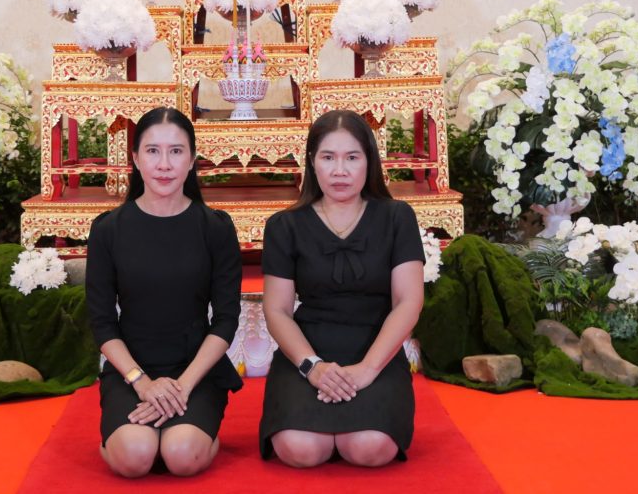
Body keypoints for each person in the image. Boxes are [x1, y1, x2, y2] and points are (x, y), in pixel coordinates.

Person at [259, 109, 425, 467]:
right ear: (311, 162)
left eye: (352, 158)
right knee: (300, 450)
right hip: (307, 351)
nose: (339, 170)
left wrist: (367, 369)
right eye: (328, 158)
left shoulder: (397, 217)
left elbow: (408, 302)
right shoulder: (284, 225)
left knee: (369, 448)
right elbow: (277, 310)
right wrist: (313, 367)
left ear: (369, 161)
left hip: (376, 350)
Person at [85, 107, 243, 477]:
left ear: (192, 159)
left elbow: (225, 319)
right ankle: (125, 435)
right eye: (153, 151)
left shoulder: (215, 228)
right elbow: (103, 322)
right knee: (135, 457)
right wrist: (141, 382)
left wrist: (182, 387)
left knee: (181, 455)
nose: (164, 164)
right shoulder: (109, 230)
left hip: (195, 370)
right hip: (131, 368)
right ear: (136, 158)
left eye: (176, 151)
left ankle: (196, 431)